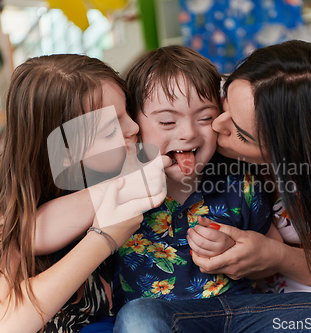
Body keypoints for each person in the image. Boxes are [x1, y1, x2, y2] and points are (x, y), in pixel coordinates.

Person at [114, 40, 311, 332]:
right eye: (222, 105)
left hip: (277, 295)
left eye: (209, 117)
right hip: (166, 312)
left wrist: (269, 255)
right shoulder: (194, 91)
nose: (212, 126)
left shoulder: (245, 185)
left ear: (289, 152)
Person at [0, 54, 169, 333]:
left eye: (128, 111)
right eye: (109, 130)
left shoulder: (119, 167)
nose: (134, 128)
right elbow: (8, 324)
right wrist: (105, 235)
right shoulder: (10, 200)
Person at [115, 45, 281, 303]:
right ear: (133, 125)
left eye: (205, 118)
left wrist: (233, 253)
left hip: (235, 312)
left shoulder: (240, 184)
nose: (189, 133)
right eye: (168, 122)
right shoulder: (118, 190)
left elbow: (271, 264)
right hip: (152, 319)